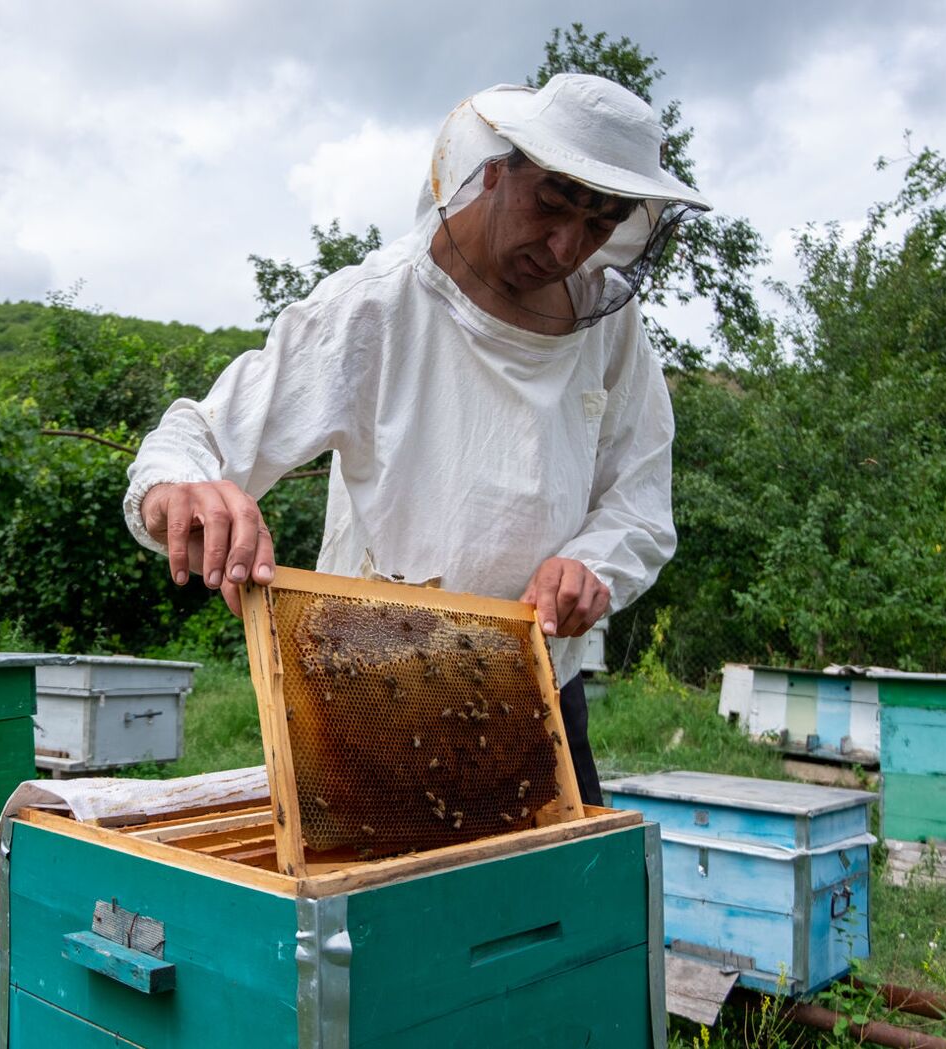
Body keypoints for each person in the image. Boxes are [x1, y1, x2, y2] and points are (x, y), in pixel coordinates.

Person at [124, 74, 711, 804]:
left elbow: (641, 500)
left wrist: (593, 564)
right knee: (366, 912)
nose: (565, 245)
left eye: (598, 223)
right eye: (550, 205)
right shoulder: (375, 305)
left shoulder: (610, 325)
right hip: (371, 697)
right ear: (497, 168)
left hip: (539, 695)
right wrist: (182, 491)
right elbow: (196, 435)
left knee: (557, 912)